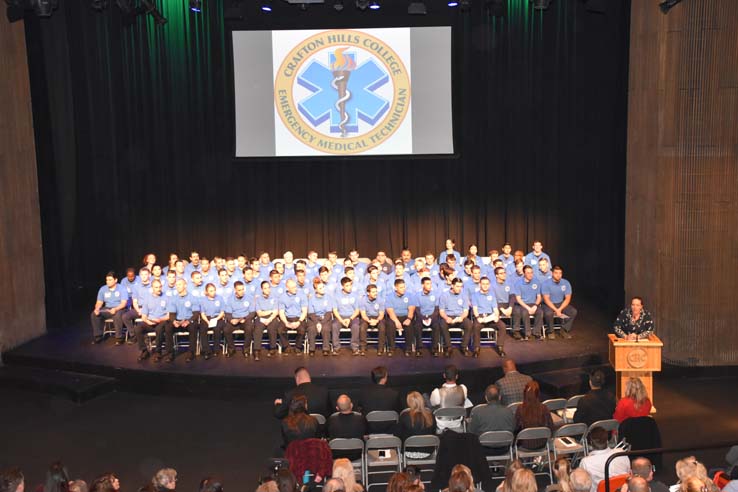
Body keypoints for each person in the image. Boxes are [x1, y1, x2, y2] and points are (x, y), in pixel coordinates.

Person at [579, 427, 631, 492]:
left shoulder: (585, 462)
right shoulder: (621, 453)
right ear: (607, 440)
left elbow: (583, 485)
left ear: (591, 443)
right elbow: (628, 472)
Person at [166, 278, 201, 363]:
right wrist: (174, 321)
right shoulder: (173, 298)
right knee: (167, 327)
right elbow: (172, 314)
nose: (178, 287)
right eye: (177, 285)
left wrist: (188, 321)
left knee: (193, 327)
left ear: (185, 285)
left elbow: (196, 313)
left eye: (180, 284)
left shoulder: (193, 298)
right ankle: (170, 353)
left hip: (189, 321)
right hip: (178, 321)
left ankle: (191, 352)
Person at [430, 365, 472, 432]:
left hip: (441, 425)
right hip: (457, 423)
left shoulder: (437, 392)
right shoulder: (463, 389)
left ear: (444, 375)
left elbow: (432, 404)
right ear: (456, 376)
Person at [136, 279, 170, 362]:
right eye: (156, 287)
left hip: (162, 321)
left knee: (159, 328)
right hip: (150, 321)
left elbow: (169, 315)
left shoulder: (166, 298)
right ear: (152, 288)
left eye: (160, 287)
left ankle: (158, 352)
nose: (158, 289)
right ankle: (144, 351)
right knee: (138, 328)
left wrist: (159, 320)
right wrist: (148, 322)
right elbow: (144, 316)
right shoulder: (147, 299)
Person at [439, 278, 475, 356]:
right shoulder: (444, 295)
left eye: (461, 286)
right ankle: (448, 347)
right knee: (442, 324)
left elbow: (466, 311)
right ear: (452, 286)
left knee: (469, 324)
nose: (459, 288)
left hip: (459, 317)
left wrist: (461, 317)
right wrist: (446, 318)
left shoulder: (464, 295)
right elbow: (441, 311)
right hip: (448, 316)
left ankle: (464, 347)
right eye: (457, 286)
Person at [472, 276, 507, 357]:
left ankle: (500, 347)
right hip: (480, 316)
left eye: (487, 284)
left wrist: (497, 316)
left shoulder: (492, 294)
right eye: (483, 284)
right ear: (480, 284)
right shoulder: (475, 295)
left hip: (490, 316)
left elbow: (495, 309)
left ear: (489, 285)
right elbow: (475, 309)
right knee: (476, 326)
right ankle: (476, 348)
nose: (485, 285)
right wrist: (478, 317)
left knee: (502, 326)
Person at [514, 381, 554, 449]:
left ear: (524, 394)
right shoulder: (544, 408)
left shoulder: (520, 408)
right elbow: (551, 427)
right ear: (538, 394)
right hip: (542, 444)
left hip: (525, 445)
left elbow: (515, 427)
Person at [90, 271, 128, 344]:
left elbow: (124, 303)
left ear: (115, 280)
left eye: (110, 280)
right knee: (94, 314)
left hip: (119, 308)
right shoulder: (103, 289)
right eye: (107, 280)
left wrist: (116, 309)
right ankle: (98, 336)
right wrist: (97, 308)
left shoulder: (121, 288)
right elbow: (99, 302)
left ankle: (119, 337)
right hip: (107, 308)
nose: (108, 282)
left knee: (117, 315)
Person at [224, 280, 259, 359]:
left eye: (243, 289)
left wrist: (244, 318)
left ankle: (246, 349)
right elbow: (228, 313)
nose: (242, 291)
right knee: (226, 329)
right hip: (234, 319)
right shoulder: (230, 299)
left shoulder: (249, 298)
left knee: (249, 328)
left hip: (245, 319)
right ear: (235, 290)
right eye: (239, 290)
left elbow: (252, 313)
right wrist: (231, 320)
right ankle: (231, 349)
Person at [542, 266, 577, 339]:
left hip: (560, 303)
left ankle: (564, 330)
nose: (558, 275)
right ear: (552, 273)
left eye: (560, 273)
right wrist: (556, 309)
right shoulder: (546, 283)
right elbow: (546, 299)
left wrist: (560, 309)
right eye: (556, 273)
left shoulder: (566, 283)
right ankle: (550, 331)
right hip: (549, 304)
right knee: (549, 313)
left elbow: (567, 299)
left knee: (573, 311)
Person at [327, 395, 367, 461]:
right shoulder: (361, 418)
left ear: (337, 408)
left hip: (336, 454)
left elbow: (327, 435)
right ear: (351, 405)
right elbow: (366, 433)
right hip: (357, 454)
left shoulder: (331, 419)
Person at [385, 279, 418, 357]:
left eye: (404, 287)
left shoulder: (410, 295)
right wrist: (396, 321)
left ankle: (408, 349)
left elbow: (411, 309)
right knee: (390, 325)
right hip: (394, 317)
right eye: (401, 287)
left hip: (406, 316)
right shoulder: (389, 296)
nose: (403, 289)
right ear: (395, 288)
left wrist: (409, 319)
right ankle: (391, 348)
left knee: (409, 325)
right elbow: (390, 311)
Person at [416, 276, 446, 357]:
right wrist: (423, 318)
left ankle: (434, 348)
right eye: (427, 284)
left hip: (433, 317)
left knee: (436, 326)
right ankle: (419, 348)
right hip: (421, 317)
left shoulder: (435, 295)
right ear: (422, 285)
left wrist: (430, 318)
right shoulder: (417, 295)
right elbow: (417, 310)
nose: (430, 286)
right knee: (417, 326)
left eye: (430, 284)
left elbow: (436, 309)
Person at [308, 278, 338, 356]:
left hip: (325, 318)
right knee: (311, 329)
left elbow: (328, 313)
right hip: (314, 318)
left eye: (323, 287)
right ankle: (311, 348)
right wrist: (317, 323)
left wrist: (321, 323)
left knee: (326, 329)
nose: (323, 289)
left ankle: (326, 348)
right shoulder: (311, 299)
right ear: (316, 290)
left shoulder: (328, 297)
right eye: (320, 288)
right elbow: (311, 313)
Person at [512, 266, 544, 340]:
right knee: (525, 313)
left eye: (531, 272)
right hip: (523, 304)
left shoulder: (536, 282)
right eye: (528, 273)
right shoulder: (518, 283)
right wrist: (528, 308)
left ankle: (537, 333)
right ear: (524, 273)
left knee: (540, 312)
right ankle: (527, 333)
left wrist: (535, 306)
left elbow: (539, 296)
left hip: (534, 304)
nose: (530, 274)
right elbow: (518, 299)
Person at [278, 279, 309, 354]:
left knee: (302, 329)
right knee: (280, 329)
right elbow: (281, 312)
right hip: (287, 317)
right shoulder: (282, 297)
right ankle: (286, 347)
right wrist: (286, 322)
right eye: (292, 287)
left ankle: (298, 347)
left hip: (299, 317)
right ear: (287, 288)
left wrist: (299, 321)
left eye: (295, 287)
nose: (295, 289)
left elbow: (304, 311)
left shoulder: (302, 295)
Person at [332, 277, 360, 355]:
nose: (349, 287)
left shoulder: (355, 295)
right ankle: (336, 348)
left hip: (352, 317)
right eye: (347, 285)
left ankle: (355, 347)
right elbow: (335, 310)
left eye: (350, 285)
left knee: (355, 326)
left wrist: (350, 319)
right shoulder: (336, 296)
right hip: (340, 317)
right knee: (334, 325)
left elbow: (357, 310)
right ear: (342, 286)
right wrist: (341, 320)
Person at [255, 281, 283, 358]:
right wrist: (270, 311)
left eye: (268, 287)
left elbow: (276, 312)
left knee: (272, 327)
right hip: (261, 317)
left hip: (272, 317)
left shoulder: (275, 298)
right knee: (258, 329)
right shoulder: (258, 299)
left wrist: (269, 318)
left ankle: (273, 348)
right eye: (265, 288)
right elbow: (259, 313)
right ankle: (257, 350)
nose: (267, 289)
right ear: (262, 289)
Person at [199, 283, 225, 358]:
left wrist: (216, 319)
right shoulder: (203, 300)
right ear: (207, 292)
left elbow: (222, 312)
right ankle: (206, 350)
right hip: (206, 318)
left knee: (217, 329)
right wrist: (207, 321)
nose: (213, 292)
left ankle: (216, 350)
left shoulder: (220, 298)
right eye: (211, 291)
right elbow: (202, 313)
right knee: (202, 328)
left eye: (214, 290)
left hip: (217, 317)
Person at [359, 284, 384, 357]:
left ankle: (380, 348)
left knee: (382, 327)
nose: (375, 293)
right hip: (367, 317)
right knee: (362, 327)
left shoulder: (380, 300)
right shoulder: (363, 300)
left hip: (377, 317)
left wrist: (376, 321)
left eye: (376, 291)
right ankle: (363, 348)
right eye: (373, 292)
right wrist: (369, 321)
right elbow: (363, 315)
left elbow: (381, 314)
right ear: (368, 293)